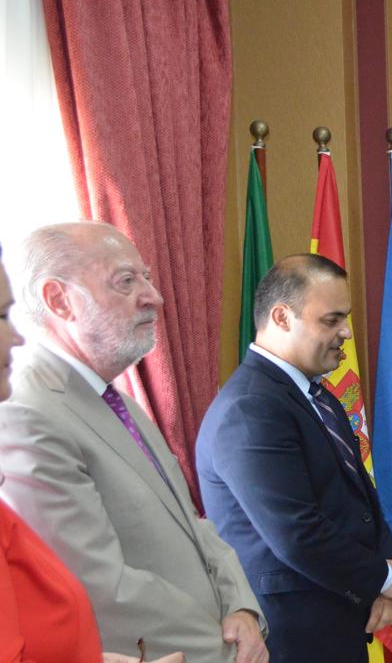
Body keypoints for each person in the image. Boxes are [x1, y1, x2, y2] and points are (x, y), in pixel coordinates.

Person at [0, 223, 264, 662]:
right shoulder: (28, 413)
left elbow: (193, 523)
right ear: (58, 300)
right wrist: (223, 649)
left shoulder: (116, 398)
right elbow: (97, 584)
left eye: (147, 277)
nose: (154, 296)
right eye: (126, 281)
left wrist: (242, 608)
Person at [197, 254, 392, 663]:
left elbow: (361, 500)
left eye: (344, 318)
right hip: (290, 636)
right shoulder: (250, 407)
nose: (346, 332)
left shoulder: (318, 396)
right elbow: (296, 532)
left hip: (337, 622)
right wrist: (382, 577)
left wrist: (388, 568)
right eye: (331, 320)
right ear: (281, 317)